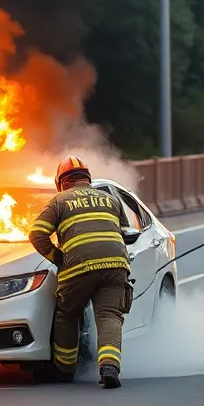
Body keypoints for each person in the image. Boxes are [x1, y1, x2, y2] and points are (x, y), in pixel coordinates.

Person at [28, 156, 132, 389]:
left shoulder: (59, 201)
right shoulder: (109, 198)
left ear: (61, 182)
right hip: (115, 265)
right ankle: (109, 367)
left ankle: (65, 369)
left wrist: (58, 258)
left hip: (78, 267)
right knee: (109, 316)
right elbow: (124, 232)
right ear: (88, 179)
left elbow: (37, 234)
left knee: (68, 314)